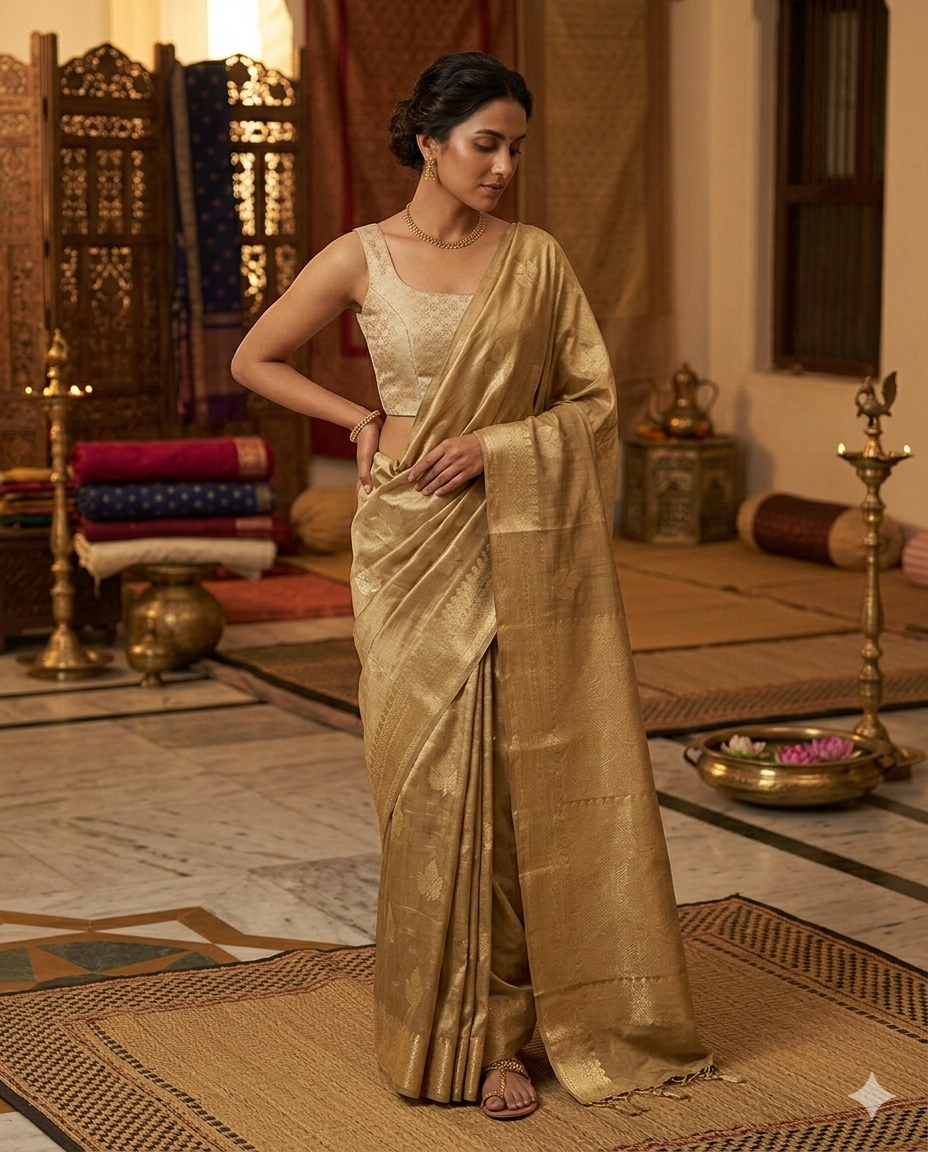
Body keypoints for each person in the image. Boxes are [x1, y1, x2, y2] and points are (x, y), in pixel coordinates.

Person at [232, 51, 716, 1122]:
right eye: (484, 144)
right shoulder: (361, 256)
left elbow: (591, 402)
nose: (502, 167)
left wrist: (499, 444)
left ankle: (506, 1031)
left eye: (515, 149)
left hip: (516, 538)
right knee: (427, 794)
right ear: (429, 142)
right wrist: (361, 420)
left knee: (510, 779)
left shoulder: (535, 260)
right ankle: (441, 1016)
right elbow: (255, 359)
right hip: (407, 543)